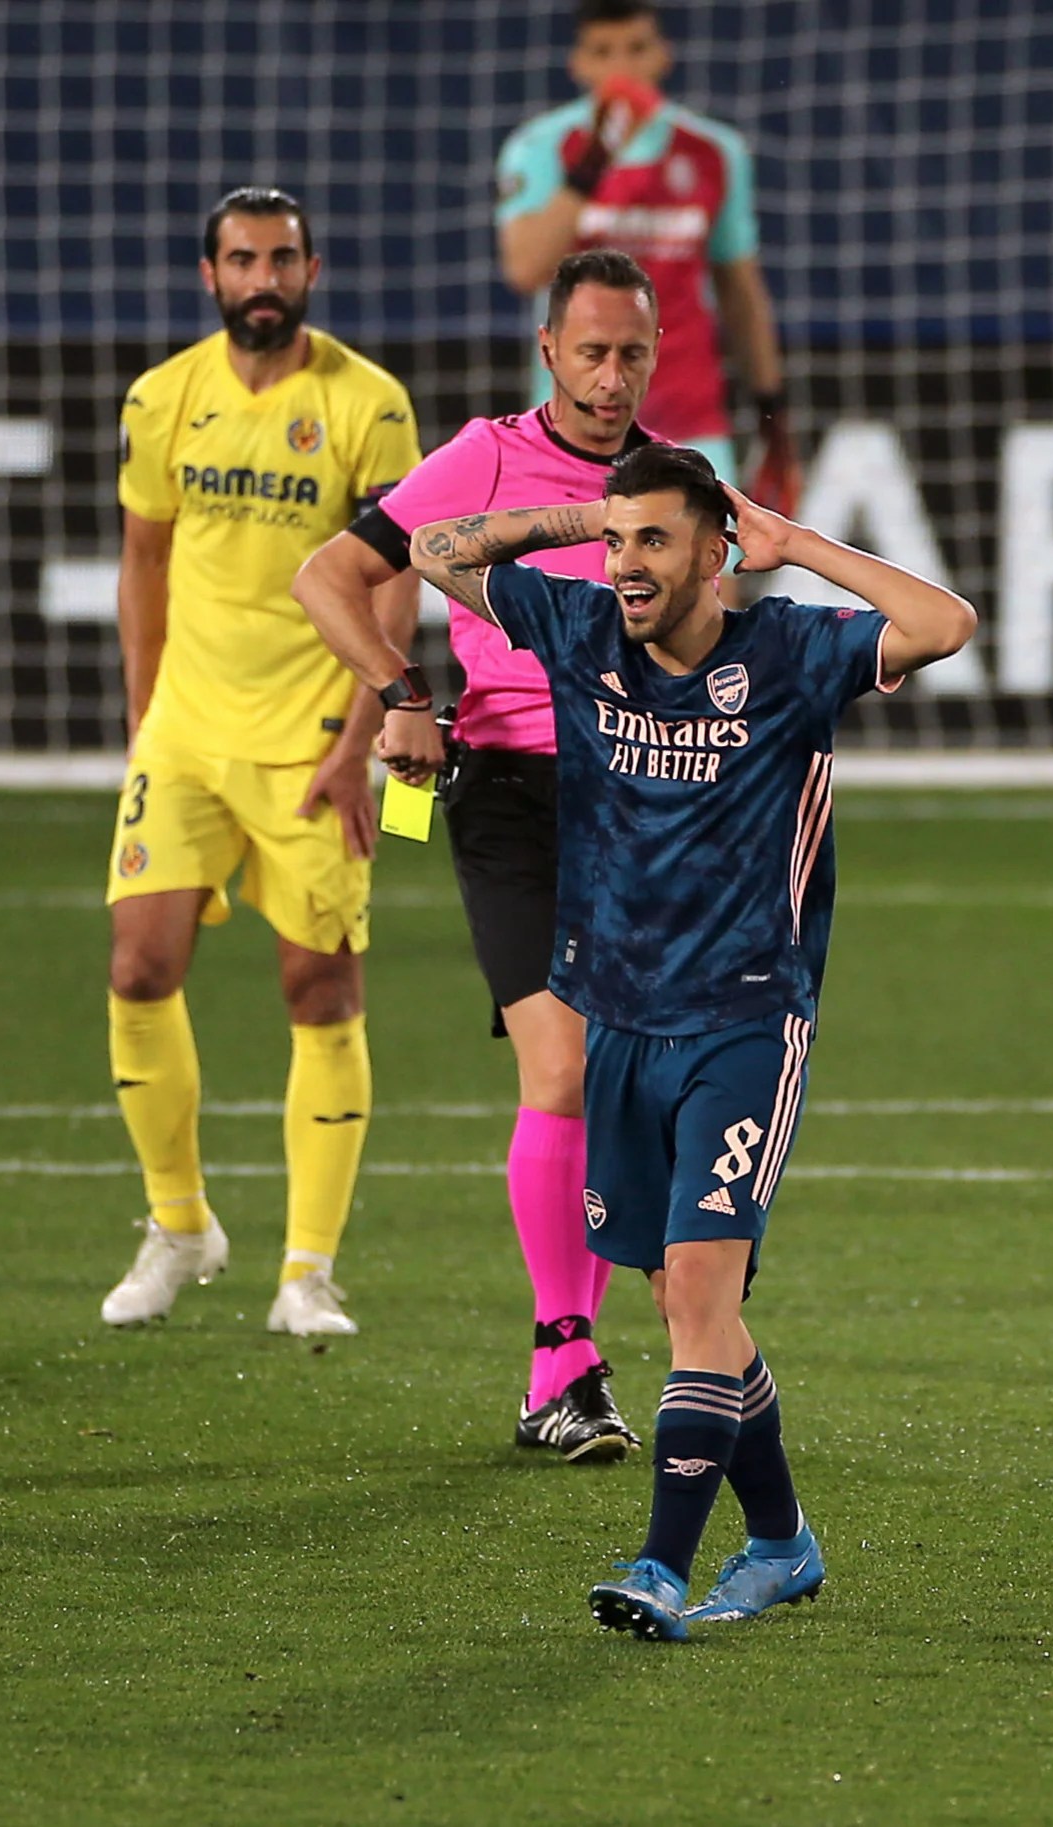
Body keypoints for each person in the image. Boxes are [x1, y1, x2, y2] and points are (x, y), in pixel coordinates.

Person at [367, 446, 974, 1638]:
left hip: (744, 1022)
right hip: (620, 1025)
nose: (625, 565)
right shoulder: (578, 625)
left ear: (712, 551)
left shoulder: (789, 654)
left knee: (697, 1292)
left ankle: (656, 1568)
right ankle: (781, 1541)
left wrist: (792, 545)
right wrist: (580, 514)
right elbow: (431, 548)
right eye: (616, 543)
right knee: (688, 1313)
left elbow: (941, 622)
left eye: (653, 542)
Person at [290, 250, 659, 1461]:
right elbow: (330, 574)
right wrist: (399, 692)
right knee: (556, 1072)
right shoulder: (483, 459)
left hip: (647, 795)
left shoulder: (674, 485)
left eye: (632, 354)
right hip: (507, 790)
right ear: (547, 350)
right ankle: (563, 1358)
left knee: (611, 1085)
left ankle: (563, 1373)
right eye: (591, 351)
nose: (611, 377)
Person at [96, 187, 423, 1338]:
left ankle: (306, 1271)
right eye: (242, 260)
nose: (262, 278)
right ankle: (177, 1224)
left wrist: (357, 744)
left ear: (311, 270)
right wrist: (147, 718)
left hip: (309, 743)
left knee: (318, 988)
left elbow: (393, 581)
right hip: (186, 734)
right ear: (210, 275)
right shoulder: (161, 400)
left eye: (281, 259)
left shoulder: (368, 406)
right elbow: (143, 559)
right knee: (138, 968)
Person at [494, 0, 798, 513]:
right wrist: (598, 156)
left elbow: (740, 291)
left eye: (636, 49)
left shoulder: (712, 151)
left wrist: (773, 416)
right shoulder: (543, 147)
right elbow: (526, 268)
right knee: (577, 584)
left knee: (707, 581)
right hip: (575, 417)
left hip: (688, 415)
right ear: (579, 64)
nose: (622, 67)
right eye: (603, 52)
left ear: (663, 56)